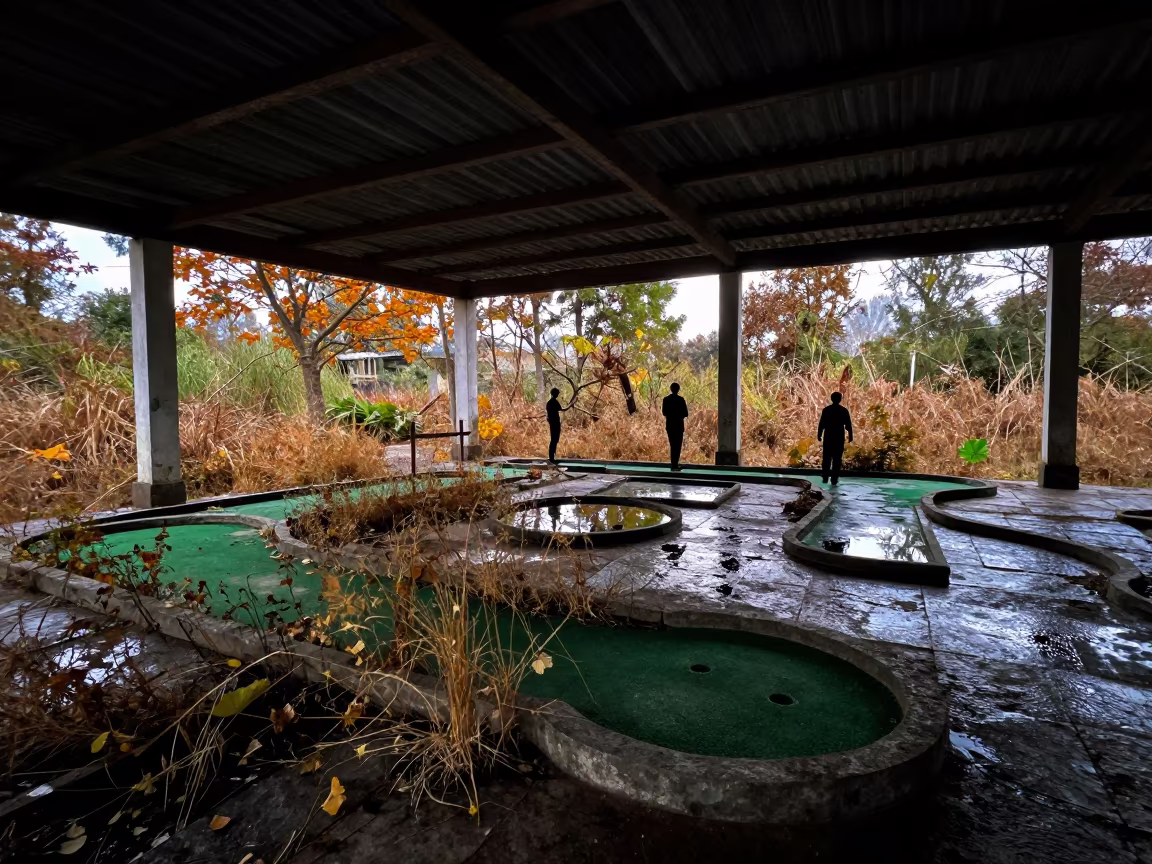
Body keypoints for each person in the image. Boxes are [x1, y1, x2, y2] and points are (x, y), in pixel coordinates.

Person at [817, 391, 853, 485]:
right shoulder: (843, 410)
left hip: (828, 436)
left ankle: (825, 476)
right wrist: (850, 435)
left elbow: (822, 424)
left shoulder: (826, 410)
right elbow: (848, 425)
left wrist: (819, 434)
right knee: (837, 459)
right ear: (840, 399)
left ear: (831, 399)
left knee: (826, 457)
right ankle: (834, 478)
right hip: (839, 437)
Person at [661, 382, 689, 471]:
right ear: (678, 389)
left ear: (671, 389)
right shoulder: (681, 400)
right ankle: (675, 464)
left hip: (669, 425)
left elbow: (664, 412)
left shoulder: (666, 399)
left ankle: (674, 464)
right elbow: (686, 413)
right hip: (679, 425)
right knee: (677, 445)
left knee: (672, 444)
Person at [545, 387, 565, 462]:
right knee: (554, 439)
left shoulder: (549, 403)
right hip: (555, 423)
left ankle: (552, 456)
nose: (558, 395)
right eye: (557, 393)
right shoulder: (553, 402)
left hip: (552, 423)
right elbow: (561, 409)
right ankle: (551, 457)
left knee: (554, 439)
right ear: (555, 394)